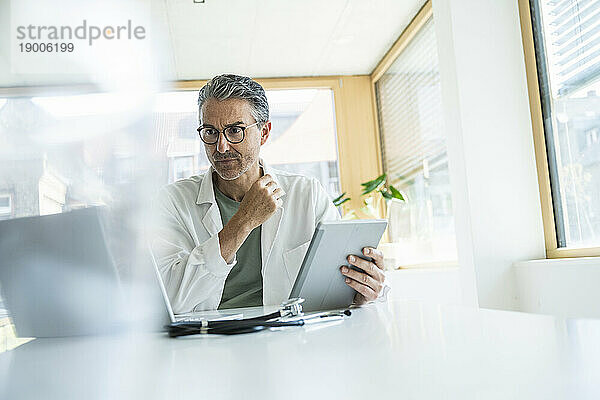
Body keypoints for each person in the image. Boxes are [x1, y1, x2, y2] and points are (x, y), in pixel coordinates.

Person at [152, 74, 386, 313]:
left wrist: (359, 292)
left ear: (264, 133)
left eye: (235, 131)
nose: (221, 147)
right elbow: (167, 299)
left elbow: (337, 285)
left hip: (288, 337)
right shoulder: (173, 201)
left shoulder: (307, 195)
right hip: (208, 338)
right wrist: (244, 221)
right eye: (211, 132)